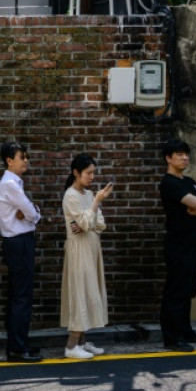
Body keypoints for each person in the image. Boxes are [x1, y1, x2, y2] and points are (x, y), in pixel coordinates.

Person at [158, 139, 196, 352]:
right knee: (176, 291)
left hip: (192, 243)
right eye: (179, 154)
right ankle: (172, 338)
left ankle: (185, 330)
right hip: (178, 244)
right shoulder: (169, 182)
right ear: (168, 158)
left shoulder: (189, 181)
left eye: (186, 154)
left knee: (189, 290)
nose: (184, 158)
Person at [60, 153, 114, 359]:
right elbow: (82, 225)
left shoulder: (89, 194)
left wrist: (87, 219)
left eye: (93, 173)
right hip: (79, 251)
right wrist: (94, 206)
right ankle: (72, 346)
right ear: (76, 173)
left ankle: (81, 342)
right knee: (80, 294)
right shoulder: (71, 196)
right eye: (88, 173)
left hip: (91, 248)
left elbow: (99, 224)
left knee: (90, 292)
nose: (92, 177)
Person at [0, 142, 43, 363]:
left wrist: (31, 212)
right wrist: (32, 212)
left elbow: (30, 211)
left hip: (18, 242)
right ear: (9, 160)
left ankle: (19, 343)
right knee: (21, 297)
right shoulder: (10, 184)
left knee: (19, 296)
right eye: (21, 156)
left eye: (26, 156)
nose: (26, 160)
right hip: (19, 242)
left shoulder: (13, 183)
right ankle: (16, 347)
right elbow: (32, 213)